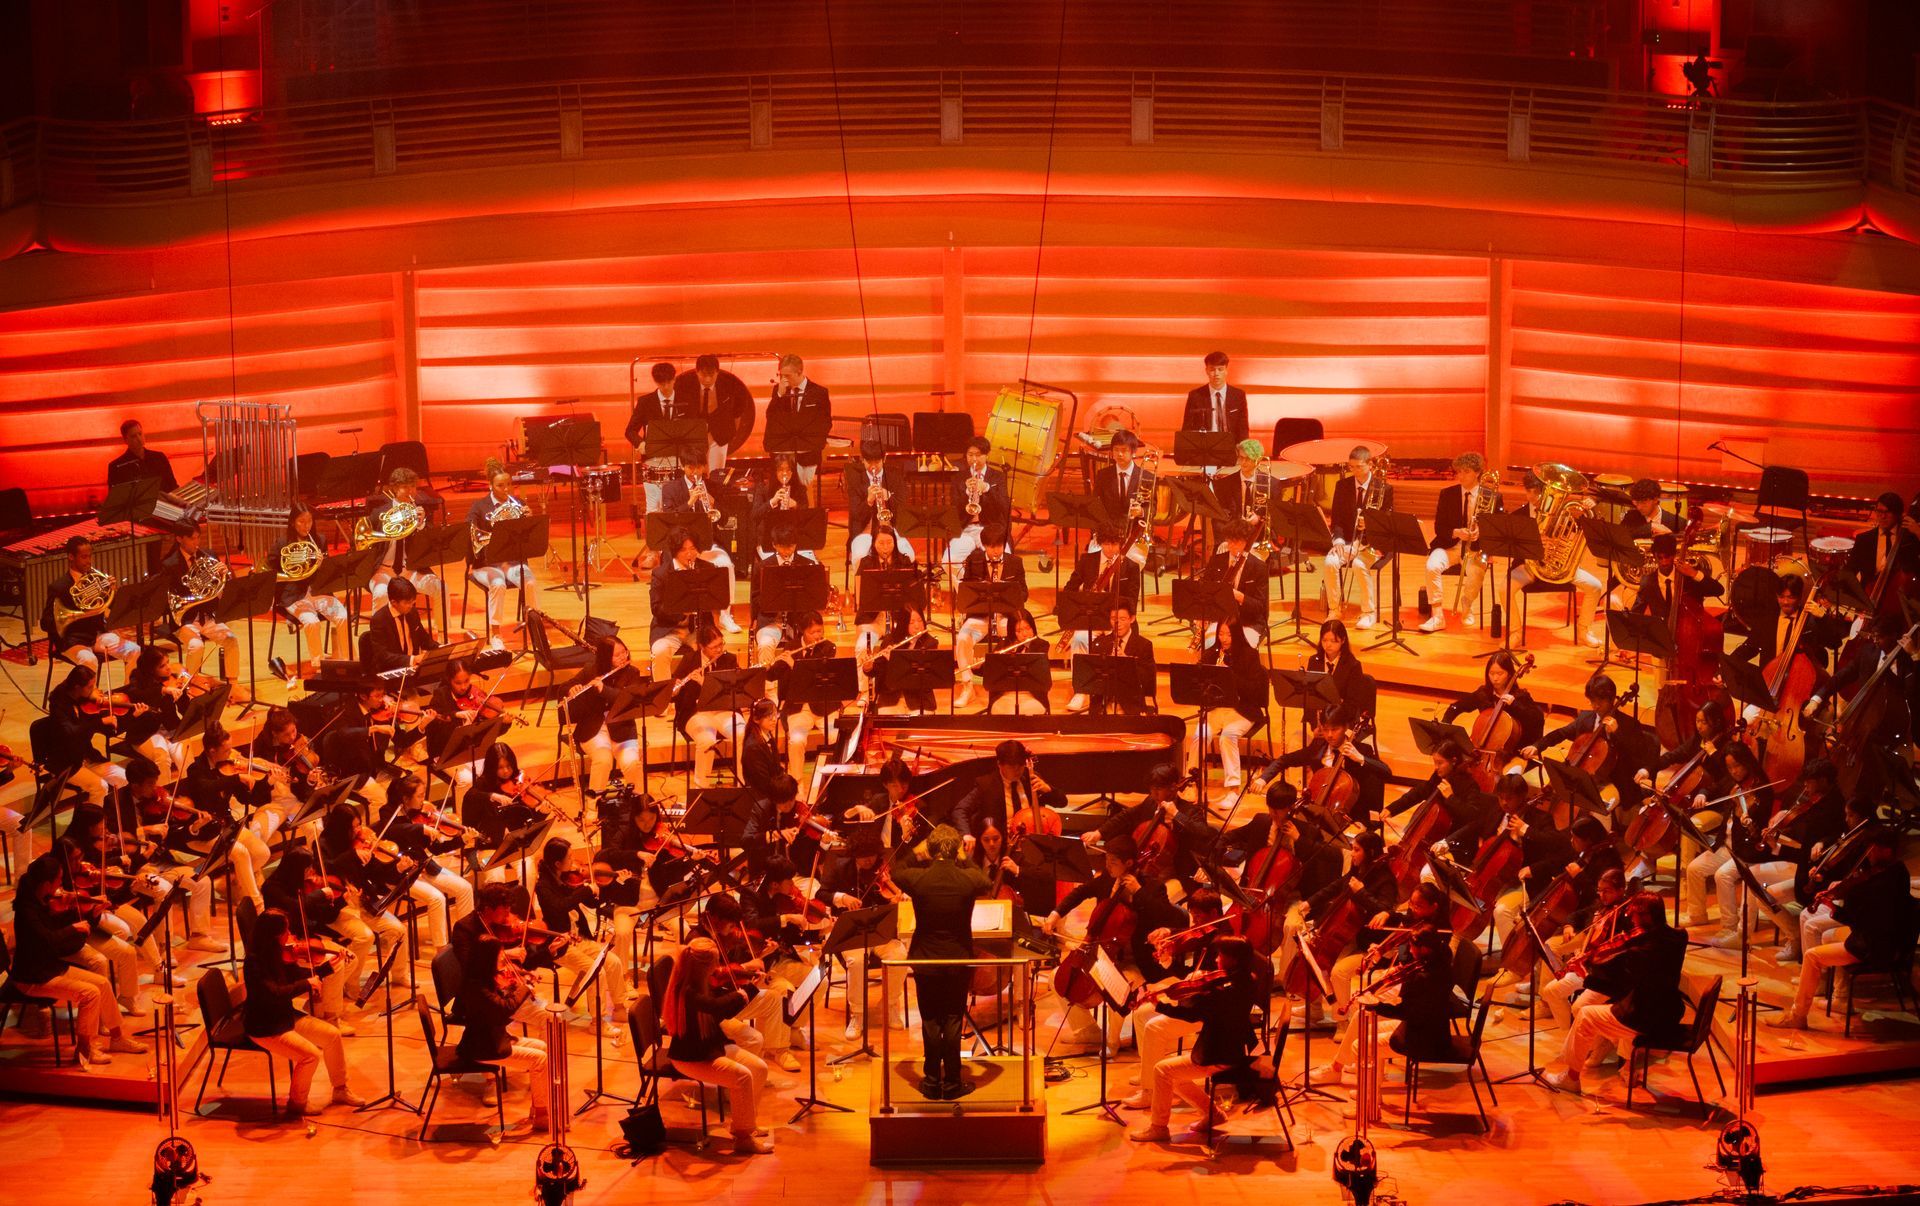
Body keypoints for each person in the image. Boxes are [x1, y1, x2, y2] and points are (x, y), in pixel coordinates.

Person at [1772, 828, 1916, 1030]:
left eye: (1873, 850)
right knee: (1830, 935)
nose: (1870, 854)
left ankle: (1798, 1016)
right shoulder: (1899, 871)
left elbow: (1857, 921)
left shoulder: (1880, 884)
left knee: (1812, 956)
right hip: (1891, 939)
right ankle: (1839, 997)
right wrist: (1839, 900)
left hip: (1875, 947)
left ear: (1887, 851)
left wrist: (1838, 905)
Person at [12, 854, 148, 1068]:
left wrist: (85, 914)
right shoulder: (26, 910)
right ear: (47, 884)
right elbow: (49, 940)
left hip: (50, 968)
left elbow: (58, 931)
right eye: (58, 880)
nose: (61, 885)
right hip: (32, 977)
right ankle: (85, 1051)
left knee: (102, 984)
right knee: (90, 993)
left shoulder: (43, 901)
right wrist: (73, 928)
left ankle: (117, 1037)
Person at [889, 824, 994, 1100]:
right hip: (957, 958)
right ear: (957, 849)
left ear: (931, 850)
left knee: (930, 1020)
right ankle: (953, 1083)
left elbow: (895, 871)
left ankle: (932, 1080)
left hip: (925, 959)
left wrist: (916, 852)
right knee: (953, 1019)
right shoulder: (967, 878)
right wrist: (963, 857)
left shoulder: (920, 879)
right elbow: (986, 882)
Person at [1129, 935, 1265, 1144]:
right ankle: (1213, 1114)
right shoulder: (1247, 979)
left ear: (1234, 960)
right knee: (1173, 1075)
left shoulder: (1225, 992)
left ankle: (1158, 1127)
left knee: (1162, 1071)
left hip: (1220, 1053)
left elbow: (1192, 1014)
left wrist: (1159, 1005)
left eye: (1221, 955)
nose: (1217, 960)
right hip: (1233, 1046)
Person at [1545, 894, 1686, 1094]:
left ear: (1645, 917)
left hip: (1646, 1017)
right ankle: (1607, 1056)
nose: (1631, 921)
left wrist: (1585, 975)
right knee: (1590, 1012)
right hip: (1670, 1010)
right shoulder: (1678, 937)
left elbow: (1617, 987)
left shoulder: (1641, 952)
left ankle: (1571, 1078)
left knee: (1584, 1015)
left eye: (1634, 916)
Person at [243, 907, 368, 1116]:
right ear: (274, 935)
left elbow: (298, 975)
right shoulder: (254, 962)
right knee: (310, 1056)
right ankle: (297, 1104)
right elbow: (274, 993)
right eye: (287, 931)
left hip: (284, 1016)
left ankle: (340, 1089)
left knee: (333, 1035)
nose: (291, 935)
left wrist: (329, 967)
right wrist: (307, 984)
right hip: (266, 1026)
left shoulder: (276, 952)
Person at [660, 936, 772, 1153]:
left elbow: (723, 1009)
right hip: (690, 1057)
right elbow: (715, 1006)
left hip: (709, 1048)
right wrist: (744, 992)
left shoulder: (700, 983)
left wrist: (749, 988)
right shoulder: (687, 992)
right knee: (742, 1076)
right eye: (716, 962)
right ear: (705, 966)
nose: (719, 966)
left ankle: (745, 1124)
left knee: (759, 1068)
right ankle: (743, 1139)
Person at [454, 925, 551, 1131]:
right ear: (487, 959)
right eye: (498, 954)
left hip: (493, 1037)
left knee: (542, 1047)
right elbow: (503, 1010)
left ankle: (537, 1108)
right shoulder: (476, 987)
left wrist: (513, 985)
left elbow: (501, 1002)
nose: (502, 958)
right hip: (482, 1047)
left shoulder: (483, 978)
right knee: (540, 1059)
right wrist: (524, 987)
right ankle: (542, 1116)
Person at [1508, 470, 1606, 646]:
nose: (1536, 497)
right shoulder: (1517, 516)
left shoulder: (1564, 512)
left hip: (1559, 566)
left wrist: (1585, 512)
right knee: (1504, 588)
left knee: (1595, 587)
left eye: (1540, 492)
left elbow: (1588, 530)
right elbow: (1512, 548)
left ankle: (1584, 631)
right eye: (1532, 492)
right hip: (1528, 566)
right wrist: (1534, 545)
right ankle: (1515, 632)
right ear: (1527, 491)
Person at [1420, 452, 1500, 633]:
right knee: (1432, 566)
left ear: (1478, 473)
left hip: (1476, 549)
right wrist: (1456, 532)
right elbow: (1439, 527)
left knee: (1476, 572)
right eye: (1459, 471)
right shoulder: (1447, 494)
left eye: (1466, 472)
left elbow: (1498, 528)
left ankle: (1467, 603)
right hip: (1450, 545)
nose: (1460, 476)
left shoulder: (1492, 497)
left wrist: (1482, 532)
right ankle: (1437, 615)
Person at [659, 466, 743, 634]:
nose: (695, 471)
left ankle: (726, 614)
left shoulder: (712, 486)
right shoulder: (671, 488)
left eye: (699, 467)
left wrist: (713, 503)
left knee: (726, 564)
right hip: (682, 547)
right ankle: (680, 613)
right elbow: (668, 516)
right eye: (691, 467)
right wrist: (689, 503)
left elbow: (724, 518)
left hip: (708, 544)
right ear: (684, 467)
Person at [1192, 620, 1269, 798]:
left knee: (1227, 736)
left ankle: (1233, 789)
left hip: (1243, 709)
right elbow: (1198, 680)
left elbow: (1255, 691)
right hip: (1218, 709)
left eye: (1228, 634)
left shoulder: (1250, 655)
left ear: (1236, 635)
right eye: (1220, 634)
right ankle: (1191, 781)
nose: (1224, 639)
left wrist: (1229, 676)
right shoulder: (1212, 654)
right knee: (1199, 735)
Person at [270, 503, 347, 679]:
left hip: (319, 590)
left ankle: (350, 660)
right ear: (292, 523)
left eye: (309, 521)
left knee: (343, 616)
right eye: (301, 521)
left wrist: (321, 565)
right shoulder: (282, 544)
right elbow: (271, 572)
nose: (306, 526)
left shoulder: (319, 540)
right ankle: (319, 666)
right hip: (294, 594)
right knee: (312, 623)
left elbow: (327, 573)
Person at [953, 525, 1026, 709]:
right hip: (980, 615)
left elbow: (1024, 593)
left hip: (1005, 615)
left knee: (1020, 637)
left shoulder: (1015, 562)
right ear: (984, 546)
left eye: (999, 545)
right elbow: (966, 590)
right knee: (962, 638)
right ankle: (967, 685)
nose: (996, 550)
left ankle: (1012, 682)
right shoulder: (974, 560)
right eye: (992, 546)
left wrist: (1009, 592)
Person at [43, 536, 140, 672]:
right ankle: (91, 694)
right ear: (71, 557)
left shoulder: (96, 580)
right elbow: (45, 622)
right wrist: (72, 617)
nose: (88, 561)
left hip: (97, 635)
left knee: (134, 650)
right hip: (72, 640)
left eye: (90, 556)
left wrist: (112, 591)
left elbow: (111, 608)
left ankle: (128, 691)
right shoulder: (59, 586)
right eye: (84, 557)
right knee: (89, 660)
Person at [564, 636, 646, 793]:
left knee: (632, 763)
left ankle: (639, 805)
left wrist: (603, 690)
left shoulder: (632, 673)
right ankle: (592, 808)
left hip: (622, 729)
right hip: (594, 729)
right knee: (603, 760)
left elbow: (628, 698)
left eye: (625, 652)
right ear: (606, 657)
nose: (623, 657)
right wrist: (571, 689)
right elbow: (564, 687)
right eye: (618, 655)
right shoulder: (591, 670)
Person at [466, 468, 536, 648]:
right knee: (498, 583)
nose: (506, 489)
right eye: (500, 485)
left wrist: (529, 522)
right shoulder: (479, 506)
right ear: (491, 486)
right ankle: (495, 634)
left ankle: (535, 630)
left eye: (508, 484)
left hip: (511, 561)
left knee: (529, 581)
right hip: (486, 563)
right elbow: (470, 533)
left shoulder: (518, 504)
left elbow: (528, 537)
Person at [1323, 446, 1392, 629]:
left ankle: (1369, 612)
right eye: (1351, 467)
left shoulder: (1384, 488)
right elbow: (1336, 519)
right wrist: (1337, 540)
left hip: (1372, 543)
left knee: (1358, 565)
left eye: (1359, 467)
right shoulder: (1342, 486)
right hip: (1346, 541)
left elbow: (1387, 523)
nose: (1355, 471)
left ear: (1370, 465)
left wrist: (1370, 525)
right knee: (1330, 562)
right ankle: (1335, 609)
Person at [45, 664, 131, 806]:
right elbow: (70, 732)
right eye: (90, 687)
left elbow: (107, 731)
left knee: (123, 778)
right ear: (77, 688)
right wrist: (100, 722)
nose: (94, 691)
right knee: (100, 786)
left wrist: (116, 720)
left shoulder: (86, 703)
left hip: (88, 756)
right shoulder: (58, 706)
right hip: (67, 763)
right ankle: (93, 824)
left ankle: (113, 820)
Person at [669, 626, 742, 788]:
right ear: (702, 646)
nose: (719, 649)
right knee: (706, 740)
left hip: (724, 710)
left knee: (742, 733)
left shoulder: (728, 659)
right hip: (696, 714)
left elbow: (731, 693)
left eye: (721, 644)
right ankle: (701, 787)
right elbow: (672, 692)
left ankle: (742, 782)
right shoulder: (689, 660)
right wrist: (677, 688)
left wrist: (704, 684)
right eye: (714, 647)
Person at [366, 468, 441, 612]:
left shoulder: (422, 512)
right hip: (384, 570)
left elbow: (431, 545)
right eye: (405, 487)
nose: (410, 491)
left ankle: (441, 632)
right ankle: (380, 633)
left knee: (440, 588)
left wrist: (421, 525)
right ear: (394, 488)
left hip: (410, 569)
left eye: (413, 486)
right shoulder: (379, 513)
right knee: (381, 594)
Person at [676, 353, 755, 471]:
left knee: (716, 474)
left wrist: (730, 434)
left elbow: (738, 411)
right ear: (696, 372)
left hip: (720, 436)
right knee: (693, 473)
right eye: (703, 375)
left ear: (717, 372)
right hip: (693, 437)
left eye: (711, 375)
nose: (707, 379)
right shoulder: (685, 386)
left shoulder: (729, 385)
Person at [1076, 600, 1157, 715]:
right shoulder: (1100, 643)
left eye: (1123, 619)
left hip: (1130, 707)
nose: (1117, 623)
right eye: (1113, 619)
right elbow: (1090, 679)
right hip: (1103, 706)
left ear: (1132, 619)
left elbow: (1147, 680)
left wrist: (1127, 662)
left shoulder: (1144, 645)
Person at [1089, 430, 1154, 565]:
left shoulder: (1147, 477)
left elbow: (1153, 508)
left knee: (1132, 567)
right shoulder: (1103, 476)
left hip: (1134, 537)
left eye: (1124, 450)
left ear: (1133, 452)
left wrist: (1141, 512)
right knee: (1094, 563)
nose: (1119, 454)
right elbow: (1095, 507)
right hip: (1108, 536)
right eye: (1116, 450)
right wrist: (1101, 535)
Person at [944, 437, 1011, 567]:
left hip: (990, 529)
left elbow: (1004, 506)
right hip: (965, 530)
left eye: (978, 455)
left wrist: (986, 488)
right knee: (948, 561)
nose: (974, 459)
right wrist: (967, 493)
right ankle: (966, 586)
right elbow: (954, 510)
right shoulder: (958, 478)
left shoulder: (998, 477)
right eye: (970, 455)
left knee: (1005, 561)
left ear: (987, 455)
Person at [846, 439, 913, 568]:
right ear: (862, 460)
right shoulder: (854, 479)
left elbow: (903, 510)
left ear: (884, 459)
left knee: (909, 556)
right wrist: (869, 501)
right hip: (864, 532)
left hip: (892, 531)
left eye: (877, 462)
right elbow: (855, 515)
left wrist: (888, 497)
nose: (873, 467)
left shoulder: (895, 476)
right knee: (860, 559)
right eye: (869, 462)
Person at [1204, 519, 1269, 649]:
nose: (1232, 546)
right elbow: (1205, 592)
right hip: (1221, 621)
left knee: (1241, 648)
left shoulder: (1259, 567)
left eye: (1237, 542)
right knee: (1209, 644)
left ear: (1247, 543)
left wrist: (1240, 597)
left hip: (1248, 622)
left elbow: (1260, 607)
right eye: (1230, 541)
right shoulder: (1216, 562)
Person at [767, 352, 830, 486]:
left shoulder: (818, 393)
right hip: (784, 453)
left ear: (799, 372)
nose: (784, 379)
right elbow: (770, 417)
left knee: (801, 486)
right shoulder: (779, 391)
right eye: (781, 375)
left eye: (787, 376)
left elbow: (826, 422)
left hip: (807, 452)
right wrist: (779, 395)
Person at [363, 575, 438, 675]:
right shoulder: (379, 620)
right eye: (407, 602)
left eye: (413, 601)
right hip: (392, 672)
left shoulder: (412, 613)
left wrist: (442, 648)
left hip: (414, 670)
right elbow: (383, 656)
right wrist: (412, 659)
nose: (411, 605)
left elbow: (424, 639)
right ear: (393, 602)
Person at [1306, 617, 1366, 726]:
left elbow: (1352, 706)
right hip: (1317, 725)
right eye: (1324, 640)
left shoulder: (1353, 666)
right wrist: (1315, 726)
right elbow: (1309, 699)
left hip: (1341, 725)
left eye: (1333, 641)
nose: (1328, 645)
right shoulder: (1313, 661)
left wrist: (1332, 728)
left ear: (1343, 640)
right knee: (1294, 742)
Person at [749, 454, 810, 559]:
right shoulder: (763, 488)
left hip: (792, 539)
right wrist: (772, 502)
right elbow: (754, 515)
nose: (785, 473)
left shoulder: (800, 489)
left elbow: (807, 515)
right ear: (775, 472)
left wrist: (795, 505)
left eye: (788, 470)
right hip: (769, 540)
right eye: (781, 470)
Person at [1180, 350, 1249, 443]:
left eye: (1220, 369)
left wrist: (1242, 449)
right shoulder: (1196, 396)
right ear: (1206, 371)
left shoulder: (1238, 395)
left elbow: (1243, 428)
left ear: (1226, 370)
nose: (1216, 374)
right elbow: (1187, 428)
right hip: (1204, 447)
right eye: (1212, 369)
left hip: (1231, 447)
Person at [106, 418, 177, 491]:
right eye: (133, 436)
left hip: (164, 501)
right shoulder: (116, 467)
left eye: (140, 434)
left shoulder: (159, 457)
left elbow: (173, 486)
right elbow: (116, 497)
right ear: (125, 440)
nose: (139, 439)